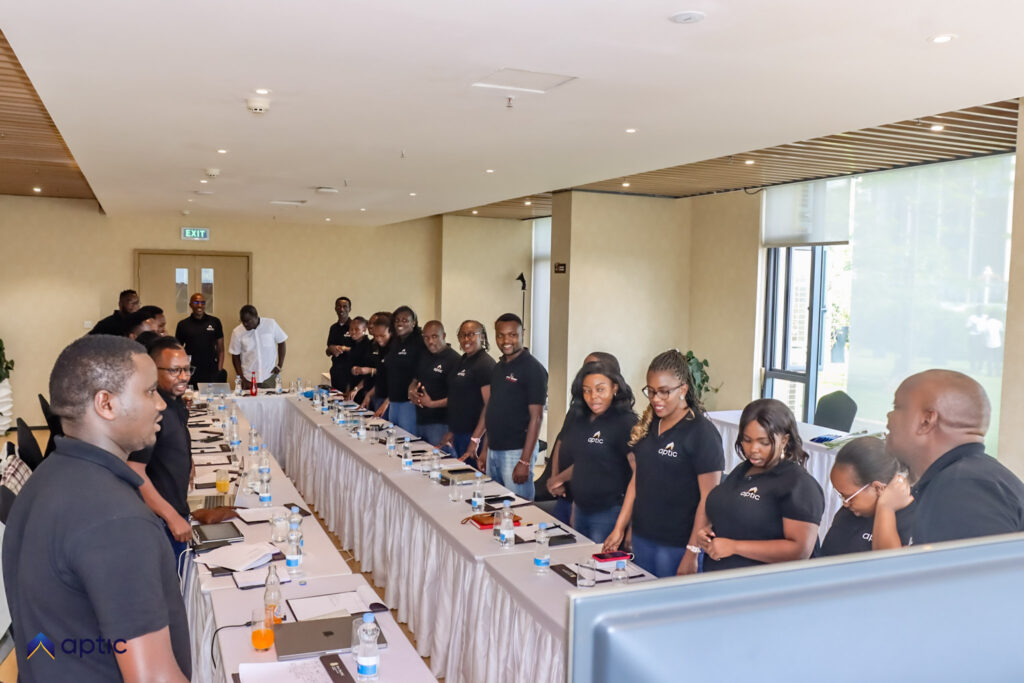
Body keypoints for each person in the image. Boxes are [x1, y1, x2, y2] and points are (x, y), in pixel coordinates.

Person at [2, 335, 191, 681]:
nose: (160, 405)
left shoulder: (46, 478)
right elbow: (153, 678)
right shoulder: (117, 521)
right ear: (106, 403)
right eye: (150, 391)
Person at [603, 350, 723, 577]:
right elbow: (637, 480)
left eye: (664, 392)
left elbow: (709, 498)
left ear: (683, 389)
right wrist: (621, 527)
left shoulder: (702, 433)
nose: (656, 399)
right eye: (651, 391)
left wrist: (692, 552)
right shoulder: (650, 425)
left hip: (678, 544)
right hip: (643, 538)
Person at [883, 369, 1024, 544]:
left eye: (897, 407)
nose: (889, 415)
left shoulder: (963, 488)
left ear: (926, 421)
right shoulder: (969, 478)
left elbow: (979, 562)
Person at [699, 398, 824, 572]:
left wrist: (734, 546)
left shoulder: (799, 484)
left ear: (784, 440)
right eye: (747, 440)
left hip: (763, 583)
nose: (753, 449)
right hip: (721, 576)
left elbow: (799, 551)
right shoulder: (743, 470)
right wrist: (709, 534)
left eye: (764, 442)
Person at [127, 336, 194, 571]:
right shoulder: (152, 411)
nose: (183, 376)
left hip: (175, 509)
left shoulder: (172, 403)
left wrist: (188, 460)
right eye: (174, 371)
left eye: (187, 369)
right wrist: (171, 516)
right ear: (153, 371)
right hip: (161, 520)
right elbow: (134, 470)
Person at [550, 361, 637, 543]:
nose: (593, 397)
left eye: (600, 389)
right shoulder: (582, 418)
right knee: (580, 559)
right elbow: (586, 462)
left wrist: (627, 526)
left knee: (599, 561)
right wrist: (564, 488)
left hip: (609, 513)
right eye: (587, 390)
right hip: (580, 509)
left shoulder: (625, 422)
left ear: (615, 388)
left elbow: (640, 475)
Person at [479, 313, 547, 500]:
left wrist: (524, 461)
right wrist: (485, 450)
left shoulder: (533, 369)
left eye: (512, 335)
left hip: (516, 451)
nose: (506, 341)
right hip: (494, 449)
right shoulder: (499, 367)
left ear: (522, 333)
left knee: (519, 508)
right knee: (495, 505)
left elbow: (537, 417)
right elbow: (494, 411)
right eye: (500, 335)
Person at [819, 436, 913, 556]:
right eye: (841, 496)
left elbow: (889, 563)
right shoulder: (848, 514)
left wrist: (885, 508)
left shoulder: (913, 518)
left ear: (878, 488)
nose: (845, 503)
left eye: (849, 497)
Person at [439, 320, 495, 470]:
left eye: (471, 334)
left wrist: (475, 439)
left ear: (482, 337)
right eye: (462, 335)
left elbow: (490, 406)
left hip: (475, 435)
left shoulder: (485, 364)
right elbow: (459, 398)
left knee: (473, 477)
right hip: (459, 433)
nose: (466, 339)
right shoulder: (462, 360)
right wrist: (453, 430)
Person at [410, 321, 460, 446]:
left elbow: (458, 397)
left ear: (443, 336)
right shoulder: (424, 355)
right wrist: (411, 391)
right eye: (426, 337)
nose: (430, 341)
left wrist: (432, 404)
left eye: (434, 336)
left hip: (441, 423)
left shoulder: (455, 360)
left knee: (440, 457)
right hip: (420, 418)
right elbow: (415, 379)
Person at [377, 305, 424, 433]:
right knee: (395, 437)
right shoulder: (396, 342)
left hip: (408, 402)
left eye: (404, 320)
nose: (399, 323)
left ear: (413, 323)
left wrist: (414, 382)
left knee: (406, 438)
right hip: (394, 399)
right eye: (397, 320)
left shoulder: (419, 342)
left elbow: (423, 367)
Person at [228, 305, 287, 390]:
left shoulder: (270, 324)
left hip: (269, 376)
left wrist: (279, 365)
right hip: (248, 379)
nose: (245, 324)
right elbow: (235, 356)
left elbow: (281, 342)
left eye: (248, 321)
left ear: (256, 316)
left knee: (272, 398)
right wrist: (242, 378)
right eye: (243, 321)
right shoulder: (237, 332)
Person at [174, 292, 224, 386]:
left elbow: (221, 349)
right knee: (191, 394)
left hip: (211, 370)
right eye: (196, 302)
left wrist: (219, 370)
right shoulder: (183, 324)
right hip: (191, 369)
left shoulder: (215, 322)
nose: (199, 305)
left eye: (202, 302)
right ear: (190, 305)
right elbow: (178, 350)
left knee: (210, 394)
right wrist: (181, 370)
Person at [357, 314, 392, 412]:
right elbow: (382, 377)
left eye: (382, 336)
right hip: (378, 395)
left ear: (391, 332)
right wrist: (369, 395)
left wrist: (386, 403)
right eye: (376, 336)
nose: (379, 339)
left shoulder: (395, 349)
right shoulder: (380, 347)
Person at [326, 296, 355, 392]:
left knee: (348, 399)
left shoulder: (354, 327)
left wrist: (342, 348)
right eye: (339, 306)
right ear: (335, 308)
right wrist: (332, 349)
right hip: (336, 371)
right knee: (336, 398)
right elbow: (328, 350)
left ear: (350, 309)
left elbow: (360, 349)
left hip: (350, 372)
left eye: (345, 306)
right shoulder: (333, 328)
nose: (341, 309)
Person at [345, 316, 372, 401]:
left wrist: (356, 389)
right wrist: (348, 388)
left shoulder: (369, 346)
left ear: (364, 329)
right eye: (351, 329)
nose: (353, 332)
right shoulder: (353, 344)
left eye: (357, 329)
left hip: (363, 389)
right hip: (352, 388)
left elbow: (368, 374)